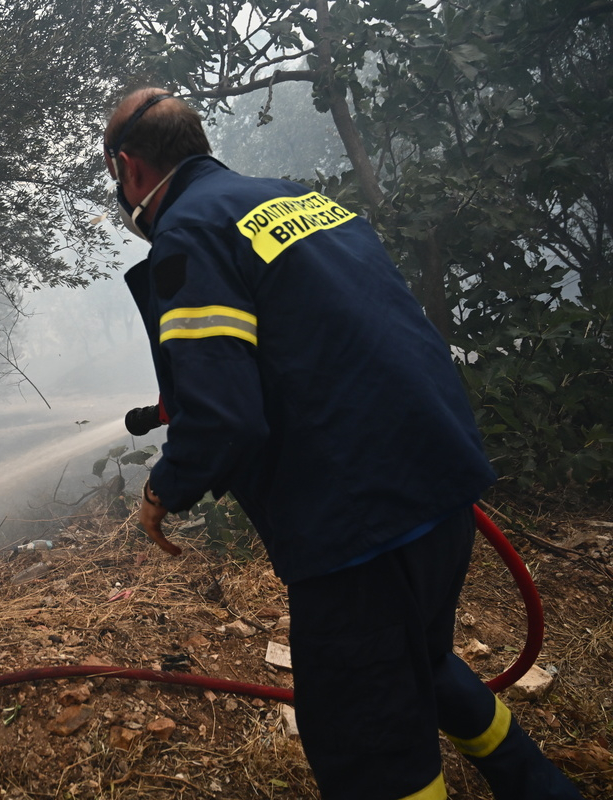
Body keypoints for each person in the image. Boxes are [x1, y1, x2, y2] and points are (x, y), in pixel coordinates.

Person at [104, 87, 583, 800]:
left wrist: (163, 489)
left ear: (130, 168)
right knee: (424, 659)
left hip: (358, 525)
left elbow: (225, 417)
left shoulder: (191, 230)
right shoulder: (299, 200)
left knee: (369, 747)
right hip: (440, 484)